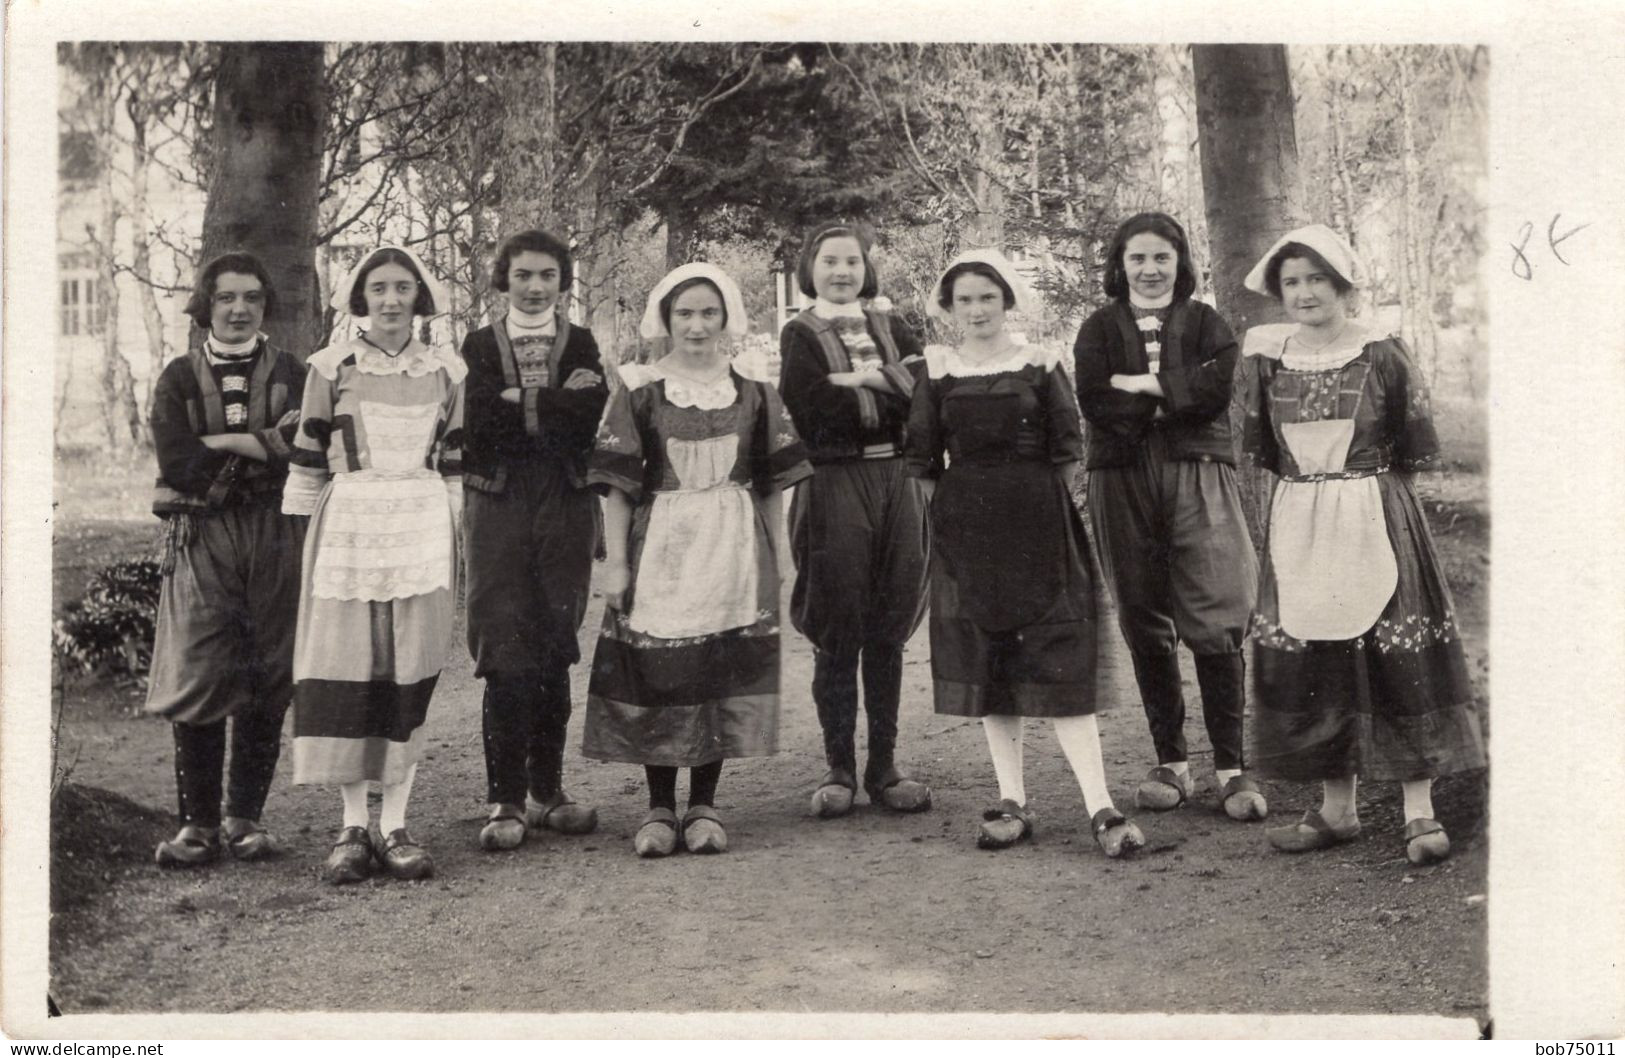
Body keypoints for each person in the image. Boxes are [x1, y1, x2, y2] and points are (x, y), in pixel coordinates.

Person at [1238, 224, 1486, 865]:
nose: (1304, 292)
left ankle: (1419, 811)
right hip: (1300, 514)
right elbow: (1262, 446)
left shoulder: (1380, 353)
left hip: (1376, 509)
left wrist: (1364, 488)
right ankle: (1336, 809)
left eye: (1317, 278)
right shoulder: (1267, 359)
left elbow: (1414, 443)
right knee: (1317, 655)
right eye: (1291, 282)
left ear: (1344, 285)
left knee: (1395, 654)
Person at [905, 248, 1144, 858]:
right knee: (991, 660)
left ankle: (1099, 803)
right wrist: (959, 516)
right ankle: (1011, 799)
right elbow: (924, 461)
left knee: (1059, 654)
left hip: (1039, 523)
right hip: (967, 526)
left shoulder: (1039, 363)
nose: (978, 309)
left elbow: (1068, 448)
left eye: (989, 296)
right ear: (950, 309)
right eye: (966, 299)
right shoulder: (937, 370)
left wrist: (1029, 500)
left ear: (1007, 301)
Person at [583, 263, 813, 857]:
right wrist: (615, 564)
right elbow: (616, 488)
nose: (696, 324)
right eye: (684, 312)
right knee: (661, 668)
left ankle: (705, 805)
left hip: (733, 546)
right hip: (662, 544)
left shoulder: (755, 392)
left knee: (718, 666)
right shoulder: (638, 390)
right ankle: (660, 808)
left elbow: (770, 484)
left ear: (726, 319)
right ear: (665, 319)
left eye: (708, 312)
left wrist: (779, 555)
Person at [1073, 212, 1265, 821]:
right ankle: (1173, 762)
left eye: (1162, 257)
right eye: (1138, 259)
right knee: (1141, 610)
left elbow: (1217, 387)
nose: (1150, 269)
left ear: (1181, 262)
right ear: (1119, 265)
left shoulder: (1208, 322)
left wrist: (1146, 386)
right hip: (1121, 475)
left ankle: (1231, 767)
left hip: (1198, 472)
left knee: (1216, 608)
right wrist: (1168, 396)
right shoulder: (1098, 328)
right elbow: (1095, 397)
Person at [282, 245, 464, 883]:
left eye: (402, 289)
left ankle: (397, 826)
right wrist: (303, 541)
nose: (391, 300)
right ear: (360, 298)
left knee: (407, 669)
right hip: (350, 528)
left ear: (420, 298)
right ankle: (353, 825)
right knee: (347, 670)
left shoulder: (446, 370)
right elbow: (307, 462)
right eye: (379, 289)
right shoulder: (331, 368)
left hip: (419, 527)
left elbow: (454, 464)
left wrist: (451, 534)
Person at [146, 252, 308, 866]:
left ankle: (246, 819)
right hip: (200, 535)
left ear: (266, 305)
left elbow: (304, 446)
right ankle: (197, 826)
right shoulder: (178, 378)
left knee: (270, 668)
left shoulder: (293, 372)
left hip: (276, 532)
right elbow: (176, 461)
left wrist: (226, 442)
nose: (239, 309)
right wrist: (264, 448)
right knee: (201, 667)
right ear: (205, 307)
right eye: (226, 298)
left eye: (251, 298)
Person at [459, 230, 608, 850]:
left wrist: (518, 401)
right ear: (504, 278)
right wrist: (550, 403)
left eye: (547, 274)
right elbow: (480, 423)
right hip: (496, 498)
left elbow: (586, 421)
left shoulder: (584, 342)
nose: (535, 286)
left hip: (565, 497)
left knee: (555, 638)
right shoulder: (475, 345)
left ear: (562, 280)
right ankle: (505, 800)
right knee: (503, 641)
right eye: (523, 274)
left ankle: (549, 791)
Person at [778, 222, 932, 818]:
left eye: (852, 262)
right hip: (834, 481)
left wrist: (863, 377)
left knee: (889, 623)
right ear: (809, 268)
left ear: (867, 269)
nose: (841, 272)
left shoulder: (893, 324)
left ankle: (884, 765)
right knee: (839, 622)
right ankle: (839, 766)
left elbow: (926, 387)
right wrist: (887, 388)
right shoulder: (798, 332)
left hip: (898, 480)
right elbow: (811, 407)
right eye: (829, 262)